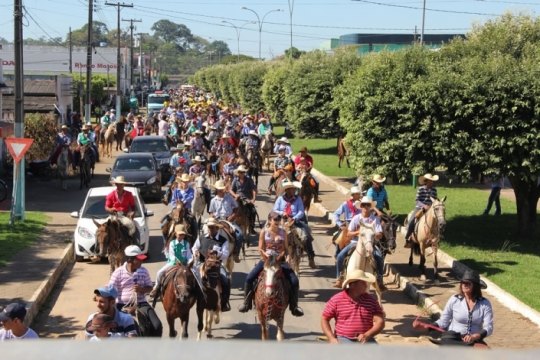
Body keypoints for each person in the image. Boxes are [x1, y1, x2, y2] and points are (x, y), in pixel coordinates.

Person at [238, 212, 304, 316]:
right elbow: (260, 248)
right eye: (275, 220)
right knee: (249, 278)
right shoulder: (264, 232)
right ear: (270, 221)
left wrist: (286, 256)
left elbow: (286, 248)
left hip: (280, 261)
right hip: (266, 261)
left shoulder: (283, 233)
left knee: (294, 281)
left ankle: (294, 306)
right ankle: (246, 303)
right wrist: (265, 255)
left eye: (278, 220)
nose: (277, 221)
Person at [413, 269, 493, 347]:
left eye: (468, 283)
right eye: (463, 282)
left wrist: (475, 336)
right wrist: (427, 327)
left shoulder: (485, 304)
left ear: (475, 286)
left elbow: (488, 327)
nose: (464, 285)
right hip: (453, 338)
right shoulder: (454, 300)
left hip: (474, 340)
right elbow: (443, 321)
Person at [334, 196, 385, 291]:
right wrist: (357, 232)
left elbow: (380, 233)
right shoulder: (356, 218)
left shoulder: (374, 219)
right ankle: (339, 277)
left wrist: (377, 234)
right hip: (355, 243)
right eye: (364, 205)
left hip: (370, 243)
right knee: (340, 256)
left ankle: (379, 278)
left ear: (370, 207)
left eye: (368, 205)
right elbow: (348, 233)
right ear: (361, 206)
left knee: (379, 257)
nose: (366, 207)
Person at [321, 270, 385, 344]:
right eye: (362, 282)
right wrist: (331, 338)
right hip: (343, 338)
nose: (366, 285)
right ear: (352, 285)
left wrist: (367, 335)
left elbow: (380, 321)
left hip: (366, 339)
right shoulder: (336, 300)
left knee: (378, 354)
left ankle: (380, 276)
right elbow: (324, 319)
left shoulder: (371, 301)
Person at [272, 179, 316, 269]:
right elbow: (275, 209)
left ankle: (311, 257)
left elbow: (301, 211)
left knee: (306, 236)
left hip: (295, 221)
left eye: (293, 189)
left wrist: (294, 218)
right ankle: (273, 257)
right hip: (282, 221)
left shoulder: (298, 199)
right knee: (273, 236)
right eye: (291, 189)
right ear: (287, 190)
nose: (293, 190)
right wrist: (282, 213)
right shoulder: (280, 199)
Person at [192, 218, 231, 312]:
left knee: (226, 281)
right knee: (189, 278)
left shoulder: (223, 240)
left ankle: (224, 303)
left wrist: (218, 253)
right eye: (209, 227)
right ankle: (190, 299)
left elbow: (226, 254)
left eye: (213, 227)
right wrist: (195, 252)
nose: (211, 229)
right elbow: (194, 248)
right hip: (201, 263)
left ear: (217, 228)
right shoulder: (201, 237)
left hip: (216, 265)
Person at [149, 224, 193, 299]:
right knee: (159, 272)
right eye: (179, 234)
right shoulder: (172, 243)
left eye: (182, 234)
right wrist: (177, 261)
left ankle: (200, 290)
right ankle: (156, 287)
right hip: (173, 263)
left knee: (196, 273)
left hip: (185, 264)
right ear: (175, 234)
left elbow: (189, 255)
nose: (181, 236)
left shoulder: (186, 244)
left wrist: (191, 261)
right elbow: (172, 256)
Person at [108, 245, 153, 312]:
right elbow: (110, 289)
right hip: (122, 305)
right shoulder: (118, 272)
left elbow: (150, 288)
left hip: (141, 303)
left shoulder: (144, 271)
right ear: (130, 260)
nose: (142, 261)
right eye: (139, 259)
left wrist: (141, 289)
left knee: (157, 323)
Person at [209, 179, 243, 261]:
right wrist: (213, 216)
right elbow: (211, 212)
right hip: (217, 220)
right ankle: (204, 252)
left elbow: (236, 208)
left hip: (229, 220)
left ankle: (236, 253)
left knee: (240, 234)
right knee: (206, 232)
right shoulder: (213, 200)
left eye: (222, 190)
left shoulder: (229, 197)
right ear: (217, 190)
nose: (221, 191)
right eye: (219, 190)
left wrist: (233, 216)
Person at [404, 173, 439, 248]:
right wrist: (424, 206)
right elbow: (417, 200)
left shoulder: (434, 190)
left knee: (438, 221)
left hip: (430, 209)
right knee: (412, 221)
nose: (431, 182)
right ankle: (408, 237)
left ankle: (436, 238)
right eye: (430, 181)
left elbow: (435, 200)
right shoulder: (420, 189)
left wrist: (432, 206)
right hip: (419, 208)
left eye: (432, 181)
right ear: (426, 181)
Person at [332, 186, 362, 256]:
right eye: (357, 194)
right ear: (353, 195)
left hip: (359, 225)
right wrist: (340, 224)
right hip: (348, 225)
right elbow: (336, 214)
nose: (359, 195)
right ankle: (338, 254)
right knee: (339, 239)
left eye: (359, 194)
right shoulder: (345, 204)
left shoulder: (362, 204)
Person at [230, 164, 257, 234]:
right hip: (238, 198)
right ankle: (230, 225)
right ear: (238, 172)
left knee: (253, 211)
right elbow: (231, 190)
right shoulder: (235, 180)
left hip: (246, 198)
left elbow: (253, 189)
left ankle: (251, 226)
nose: (241, 173)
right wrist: (235, 195)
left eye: (243, 172)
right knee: (231, 210)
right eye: (240, 172)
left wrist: (253, 198)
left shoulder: (249, 179)